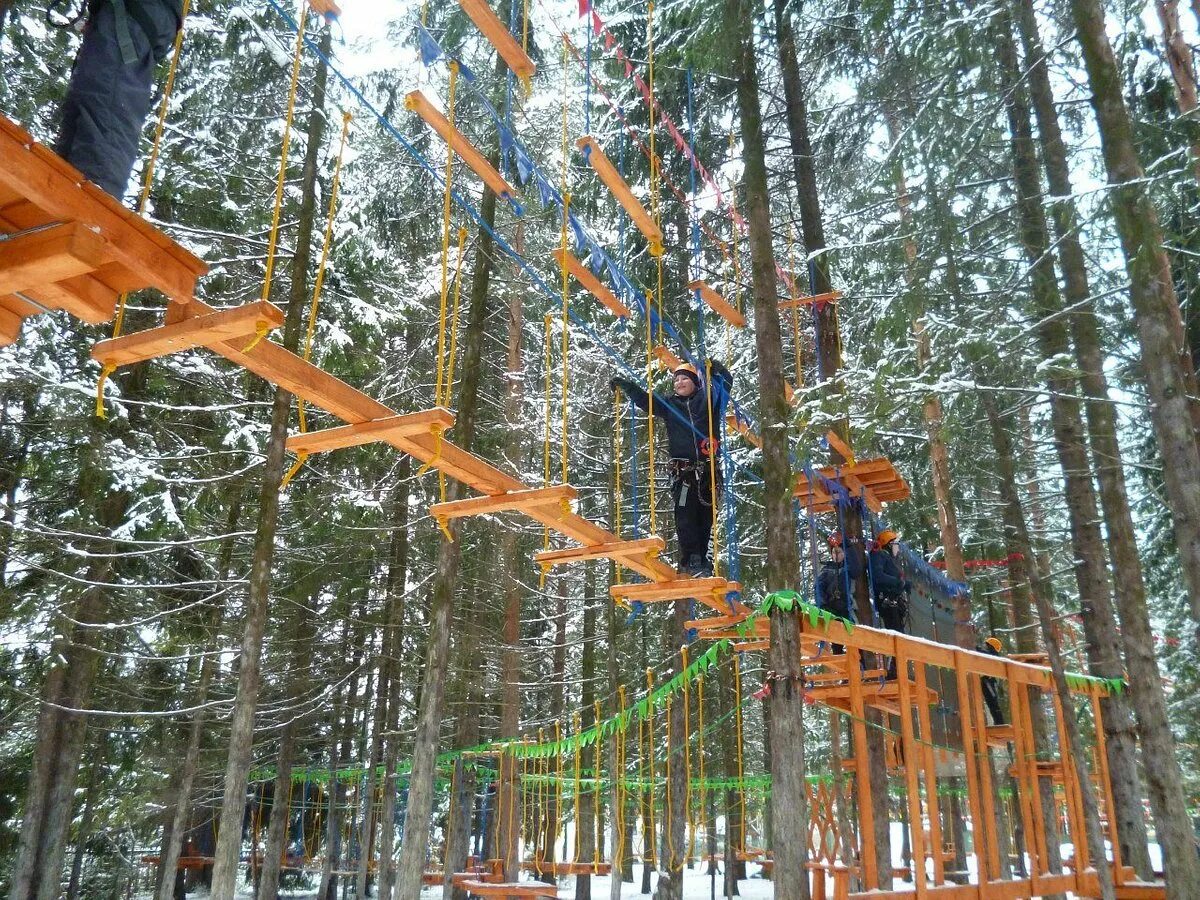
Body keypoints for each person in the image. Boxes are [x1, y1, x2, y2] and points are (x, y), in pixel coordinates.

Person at [53, 0, 186, 198]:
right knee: (87, 107)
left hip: (133, 12)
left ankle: (91, 206)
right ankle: (63, 198)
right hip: (128, 14)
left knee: (105, 107)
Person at [611, 360, 732, 577]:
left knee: (705, 517)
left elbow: (725, 385)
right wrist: (628, 387)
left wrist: (716, 370)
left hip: (708, 472)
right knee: (685, 515)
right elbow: (646, 401)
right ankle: (691, 559)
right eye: (676, 380)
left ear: (696, 382)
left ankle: (700, 561)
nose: (679, 382)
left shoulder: (708, 402)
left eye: (684, 378)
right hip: (684, 472)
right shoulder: (669, 405)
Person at [815, 532, 862, 654]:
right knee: (836, 642)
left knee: (854, 635)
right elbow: (818, 588)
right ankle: (840, 666)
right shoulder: (826, 570)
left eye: (840, 552)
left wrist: (849, 547)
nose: (837, 555)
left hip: (847, 607)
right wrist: (823, 603)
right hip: (832, 609)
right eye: (834, 553)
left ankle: (860, 662)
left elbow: (857, 569)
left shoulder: (848, 568)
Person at [868, 528, 912, 633]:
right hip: (887, 602)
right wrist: (898, 582)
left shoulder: (887, 558)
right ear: (889, 545)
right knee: (896, 634)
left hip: (893, 602)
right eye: (896, 544)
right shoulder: (878, 556)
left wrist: (904, 584)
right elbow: (878, 576)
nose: (898, 548)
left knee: (899, 633)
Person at [979, 635, 1006, 726]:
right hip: (986, 681)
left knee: (993, 702)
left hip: (988, 682)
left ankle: (999, 723)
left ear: (991, 646)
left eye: (987, 645)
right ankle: (998, 722)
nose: (985, 646)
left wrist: (976, 648)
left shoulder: (993, 655)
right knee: (991, 703)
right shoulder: (991, 654)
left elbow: (985, 654)